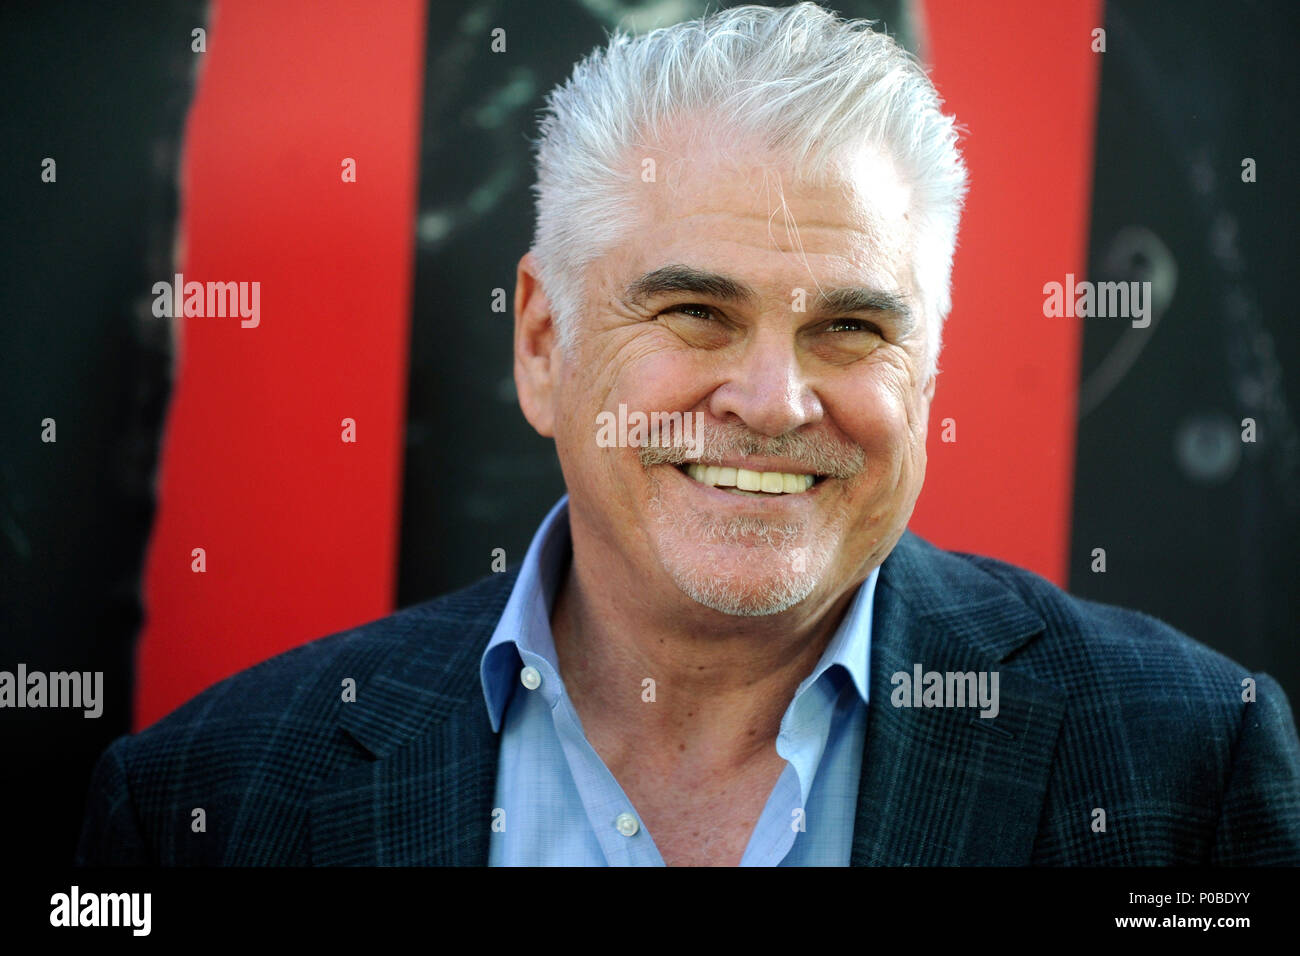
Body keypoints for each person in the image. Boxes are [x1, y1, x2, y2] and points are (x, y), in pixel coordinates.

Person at [77, 3, 1300, 866]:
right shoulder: (214, 799)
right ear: (543, 343)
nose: (772, 400)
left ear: (928, 359)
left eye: (850, 327)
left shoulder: (1183, 761)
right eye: (696, 312)